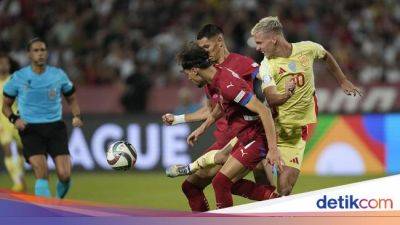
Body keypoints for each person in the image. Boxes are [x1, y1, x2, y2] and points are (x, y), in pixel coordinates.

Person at [163, 24, 294, 211]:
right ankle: (277, 202)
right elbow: (218, 108)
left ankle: (278, 204)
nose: (189, 80)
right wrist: (198, 125)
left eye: (187, 75)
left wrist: (273, 148)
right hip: (240, 137)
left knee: (221, 183)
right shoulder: (216, 78)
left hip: (253, 136)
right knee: (221, 182)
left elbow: (263, 107)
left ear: (194, 70)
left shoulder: (230, 80)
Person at [251, 16, 363, 196]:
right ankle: (266, 206)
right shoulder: (266, 66)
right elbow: (271, 98)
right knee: (258, 169)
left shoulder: (308, 48)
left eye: (259, 42)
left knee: (286, 188)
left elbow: (325, 55)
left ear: (274, 39)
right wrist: (286, 94)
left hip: (296, 131)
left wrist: (342, 80)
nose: (257, 47)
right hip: (273, 127)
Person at [2, 38, 83, 198]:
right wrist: (15, 119)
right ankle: (46, 215)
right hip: (30, 129)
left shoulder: (58, 75)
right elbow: (5, 106)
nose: (40, 54)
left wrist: (76, 115)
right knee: (41, 172)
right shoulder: (19, 77)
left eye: (43, 50)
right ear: (29, 54)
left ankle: (60, 195)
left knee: (64, 174)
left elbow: (71, 97)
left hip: (55, 128)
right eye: (36, 51)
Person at [0, 53, 26, 192]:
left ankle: (21, 176)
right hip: (2, 124)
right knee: (8, 150)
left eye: (5, 63)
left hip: (16, 119)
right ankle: (17, 182)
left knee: (22, 152)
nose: (3, 66)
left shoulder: (14, 80)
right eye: (1, 63)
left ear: (9, 66)